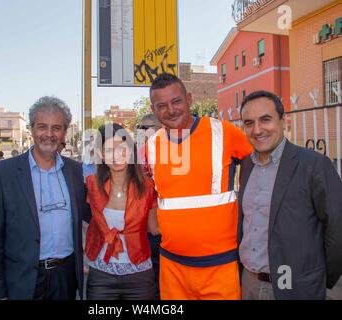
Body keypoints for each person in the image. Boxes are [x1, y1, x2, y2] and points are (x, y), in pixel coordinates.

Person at [146, 74, 253, 300]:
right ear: (153, 109)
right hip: (171, 267)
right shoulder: (152, 146)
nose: (171, 110)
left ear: (189, 99)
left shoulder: (224, 132)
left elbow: (262, 166)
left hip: (220, 267)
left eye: (176, 101)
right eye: (162, 105)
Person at [0, 96, 90, 300]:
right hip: (22, 280)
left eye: (56, 128)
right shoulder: (2, 174)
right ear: (32, 129)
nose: (49, 134)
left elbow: (94, 213)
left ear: (64, 132)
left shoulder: (75, 171)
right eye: (42, 127)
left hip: (65, 279)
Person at [238, 90, 342, 300]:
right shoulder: (247, 165)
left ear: (284, 121)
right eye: (249, 123)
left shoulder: (314, 165)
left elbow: (337, 229)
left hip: (295, 285)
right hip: (248, 282)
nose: (257, 130)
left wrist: (318, 278)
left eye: (265, 120)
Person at [85, 123, 159, 300]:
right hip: (101, 274)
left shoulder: (148, 187)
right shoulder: (91, 185)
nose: (117, 156)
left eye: (122, 148)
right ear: (101, 155)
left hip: (139, 275)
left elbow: (155, 228)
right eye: (109, 150)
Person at [136, 113, 162, 299]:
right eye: (141, 128)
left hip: (167, 227)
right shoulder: (137, 154)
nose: (143, 132)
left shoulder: (174, 152)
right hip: (142, 228)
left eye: (148, 127)